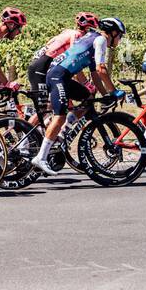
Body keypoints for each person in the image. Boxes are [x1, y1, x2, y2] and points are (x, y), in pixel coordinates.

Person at [33, 17, 127, 175]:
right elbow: (101, 69)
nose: (120, 40)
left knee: (88, 97)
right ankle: (41, 157)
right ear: (113, 32)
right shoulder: (101, 41)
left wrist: (105, 96)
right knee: (59, 116)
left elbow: (95, 76)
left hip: (61, 76)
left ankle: (62, 135)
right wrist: (113, 91)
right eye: (120, 36)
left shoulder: (92, 39)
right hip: (58, 77)